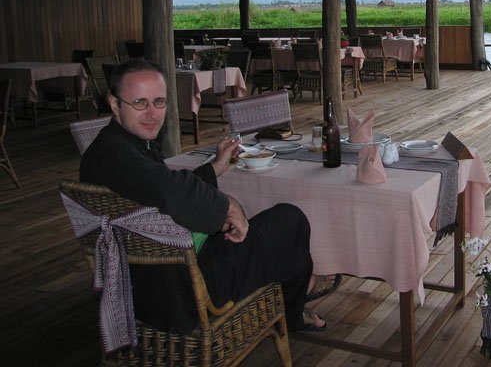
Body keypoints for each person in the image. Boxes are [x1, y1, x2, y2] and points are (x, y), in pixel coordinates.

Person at [80, 59, 326, 334]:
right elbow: (168, 188)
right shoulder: (113, 155)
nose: (152, 113)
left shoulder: (118, 146)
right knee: (290, 221)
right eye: (140, 102)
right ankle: (293, 305)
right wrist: (228, 208)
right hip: (179, 289)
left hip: (165, 273)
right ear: (115, 104)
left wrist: (215, 167)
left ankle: (293, 303)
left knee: (292, 252)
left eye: (159, 102)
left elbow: (159, 186)